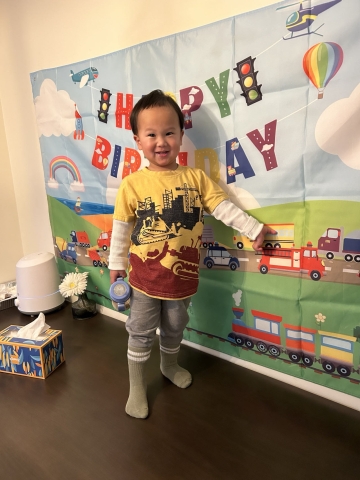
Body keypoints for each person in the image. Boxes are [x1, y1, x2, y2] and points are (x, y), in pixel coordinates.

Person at [108, 89, 276, 419]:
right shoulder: (131, 185)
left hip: (182, 278)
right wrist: (115, 264)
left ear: (181, 135)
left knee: (175, 326)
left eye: (169, 132)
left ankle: (169, 365)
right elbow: (122, 228)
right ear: (137, 140)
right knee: (140, 332)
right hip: (143, 279)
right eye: (151, 134)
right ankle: (137, 387)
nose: (161, 141)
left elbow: (223, 207)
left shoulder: (195, 178)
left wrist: (253, 228)